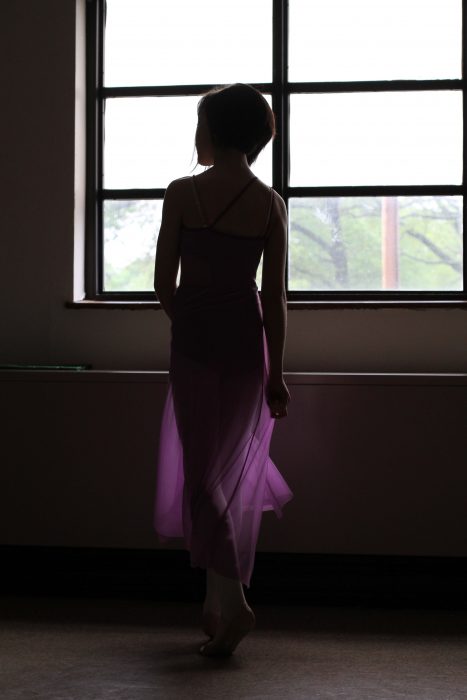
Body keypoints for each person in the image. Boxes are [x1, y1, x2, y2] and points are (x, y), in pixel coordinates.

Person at [153, 83, 293, 657]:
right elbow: (274, 301)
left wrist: (190, 317)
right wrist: (276, 373)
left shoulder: (182, 192)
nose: (196, 134)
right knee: (221, 479)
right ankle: (215, 607)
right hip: (245, 348)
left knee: (202, 477)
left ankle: (233, 605)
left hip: (194, 344)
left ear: (214, 129)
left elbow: (163, 283)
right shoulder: (270, 203)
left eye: (200, 122)